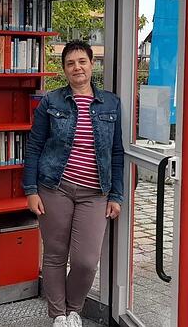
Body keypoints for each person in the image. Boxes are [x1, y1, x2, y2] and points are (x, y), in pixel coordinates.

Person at [23, 40, 124, 327]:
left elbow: (117, 152)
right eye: (70, 63)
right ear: (64, 70)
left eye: (82, 61)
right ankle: (58, 315)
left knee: (86, 260)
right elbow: (34, 146)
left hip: (95, 193)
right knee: (55, 254)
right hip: (55, 187)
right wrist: (31, 190)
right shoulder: (51, 101)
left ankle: (73, 308)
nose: (77, 67)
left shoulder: (111, 103)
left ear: (92, 65)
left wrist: (116, 195)